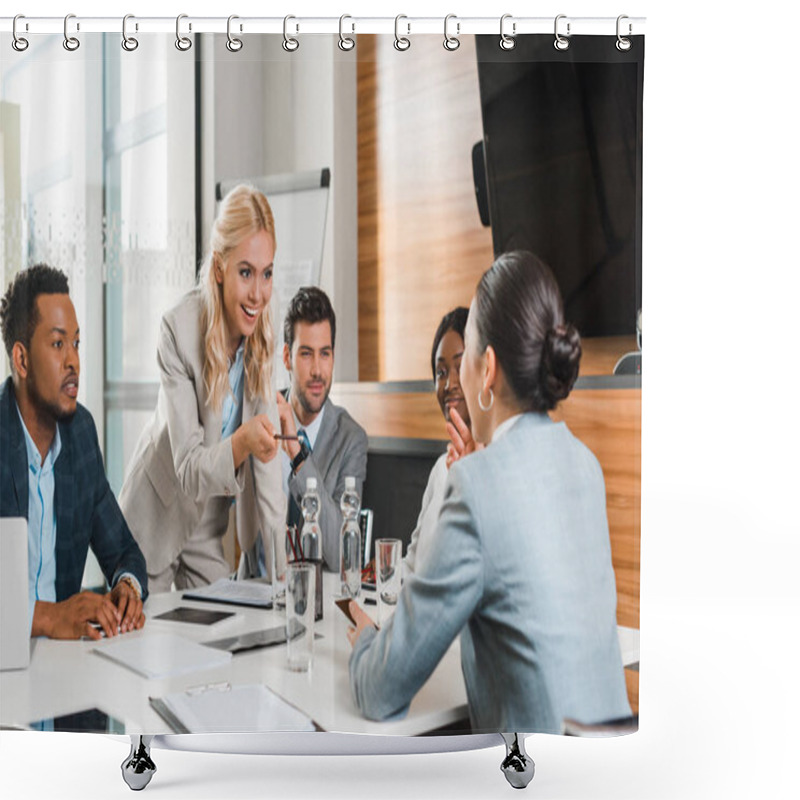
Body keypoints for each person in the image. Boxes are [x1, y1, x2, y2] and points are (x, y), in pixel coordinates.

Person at [347, 251, 631, 733]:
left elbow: (381, 689)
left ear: (489, 370)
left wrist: (364, 644)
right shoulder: (586, 467)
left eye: (466, 359)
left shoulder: (476, 485)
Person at [119, 185, 286, 593]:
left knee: (229, 632)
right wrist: (244, 441)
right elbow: (191, 471)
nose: (258, 294)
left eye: (266, 274)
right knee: (140, 644)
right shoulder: (177, 329)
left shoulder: (262, 331)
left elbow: (266, 470)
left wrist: (285, 579)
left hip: (207, 526)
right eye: (245, 272)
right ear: (218, 268)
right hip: (156, 516)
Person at [0, 264, 148, 640]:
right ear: (21, 360)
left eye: (76, 343)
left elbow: (124, 551)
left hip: (65, 665)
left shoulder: (80, 432)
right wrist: (48, 618)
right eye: (57, 343)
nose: (73, 361)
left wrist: (127, 587)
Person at [241, 286, 368, 575]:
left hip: (315, 604)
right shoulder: (260, 417)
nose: (317, 371)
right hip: (254, 591)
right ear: (286, 357)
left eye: (325, 354)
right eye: (306, 354)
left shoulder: (351, 439)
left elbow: (340, 554)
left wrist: (298, 457)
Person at [403, 306, 470, 574]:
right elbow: (412, 562)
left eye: (460, 367)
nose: (449, 383)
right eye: (441, 372)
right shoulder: (441, 467)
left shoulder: (495, 469)